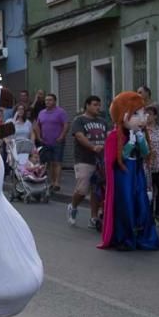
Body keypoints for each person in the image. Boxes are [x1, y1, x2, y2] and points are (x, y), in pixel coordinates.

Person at [99, 92, 159, 251]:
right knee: (125, 204)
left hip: (137, 174)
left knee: (142, 204)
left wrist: (139, 139)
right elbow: (118, 158)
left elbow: (146, 154)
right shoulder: (114, 136)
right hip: (123, 176)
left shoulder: (140, 133)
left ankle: (143, 237)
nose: (142, 118)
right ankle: (124, 238)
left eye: (143, 113)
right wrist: (131, 142)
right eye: (136, 113)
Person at [67, 96, 106, 229]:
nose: (98, 107)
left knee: (96, 190)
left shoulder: (103, 121)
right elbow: (79, 136)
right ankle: (73, 206)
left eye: (99, 105)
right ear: (87, 105)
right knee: (83, 189)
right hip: (84, 159)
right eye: (95, 105)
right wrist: (93, 147)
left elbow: (109, 136)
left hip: (100, 161)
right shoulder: (79, 120)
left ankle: (93, 218)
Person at [33, 93, 69, 191]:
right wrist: (39, 137)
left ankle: (57, 183)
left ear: (54, 101)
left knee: (57, 161)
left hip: (57, 141)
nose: (47, 102)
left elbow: (66, 125)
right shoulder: (41, 113)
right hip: (45, 141)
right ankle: (52, 182)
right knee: (48, 163)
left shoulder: (61, 112)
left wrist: (61, 137)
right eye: (46, 100)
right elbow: (37, 125)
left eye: (50, 100)